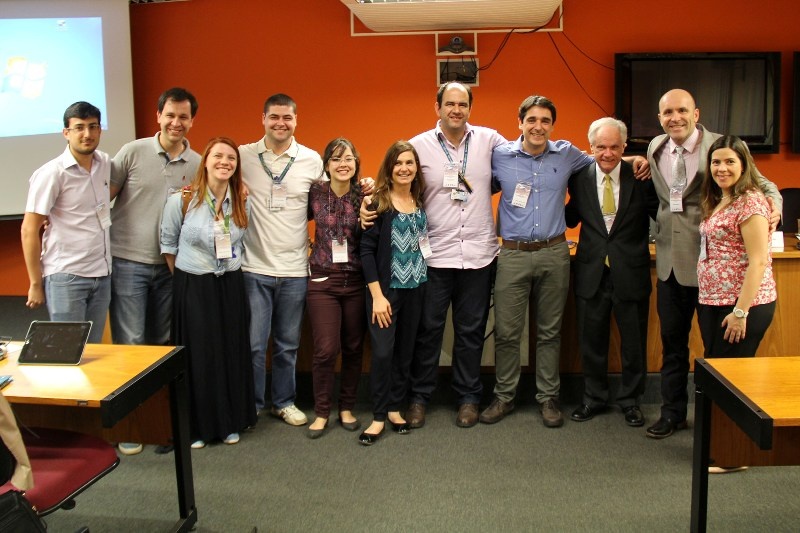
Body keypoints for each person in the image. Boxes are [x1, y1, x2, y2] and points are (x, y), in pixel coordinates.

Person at [486, 95, 649, 428]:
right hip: (513, 253)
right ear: (520, 123)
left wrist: (632, 160)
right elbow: (469, 185)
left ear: (552, 125)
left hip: (555, 253)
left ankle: (548, 398)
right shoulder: (499, 155)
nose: (538, 126)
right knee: (506, 332)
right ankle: (504, 396)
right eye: (531, 120)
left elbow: (605, 159)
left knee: (550, 333)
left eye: (545, 121)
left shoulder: (568, 154)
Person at [360, 82, 504, 428]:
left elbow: (531, 152)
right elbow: (393, 173)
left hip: (478, 254)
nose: (456, 109)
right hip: (434, 257)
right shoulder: (420, 145)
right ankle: (419, 397)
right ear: (437, 106)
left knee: (471, 331)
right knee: (429, 330)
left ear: (470, 107)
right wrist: (365, 193)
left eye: (463, 104)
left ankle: (468, 397)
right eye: (450, 103)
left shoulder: (490, 141)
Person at [645, 89, 782, 439]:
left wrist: (776, 208)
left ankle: (717, 427)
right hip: (670, 265)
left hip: (712, 271)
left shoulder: (722, 147)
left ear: (696, 113)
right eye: (667, 112)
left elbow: (764, 184)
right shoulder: (656, 146)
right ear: (660, 117)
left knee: (716, 355)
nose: (674, 118)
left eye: (682, 111)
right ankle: (672, 413)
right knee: (672, 344)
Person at [110, 87, 200, 456]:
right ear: (157, 116)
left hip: (171, 267)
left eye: (184, 116)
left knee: (163, 344)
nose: (176, 122)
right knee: (131, 344)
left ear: (192, 120)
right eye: (170, 115)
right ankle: (129, 423)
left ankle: (158, 421)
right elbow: (101, 198)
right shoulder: (132, 152)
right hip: (129, 262)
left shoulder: (197, 163)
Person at [160, 137, 256, 448]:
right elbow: (168, 245)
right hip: (193, 285)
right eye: (218, 156)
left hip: (229, 284)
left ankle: (229, 422)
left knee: (230, 351)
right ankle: (198, 427)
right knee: (199, 357)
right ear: (206, 161)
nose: (225, 162)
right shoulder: (182, 200)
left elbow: (239, 242)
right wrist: (188, 280)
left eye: (231, 158)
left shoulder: (242, 200)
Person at [565, 118, 658, 427]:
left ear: (624, 147)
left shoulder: (642, 176)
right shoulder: (578, 177)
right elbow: (570, 216)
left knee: (633, 343)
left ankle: (631, 400)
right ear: (591, 147)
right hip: (592, 271)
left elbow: (662, 213)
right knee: (591, 341)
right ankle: (593, 397)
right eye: (601, 147)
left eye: (615, 147)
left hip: (630, 272)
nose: (607, 153)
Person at [239, 93, 323, 426]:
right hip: (254, 267)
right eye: (274, 117)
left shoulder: (311, 159)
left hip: (294, 270)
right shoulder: (243, 156)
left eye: (287, 118)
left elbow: (328, 202)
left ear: (296, 121)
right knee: (255, 346)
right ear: (263, 119)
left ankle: (284, 402)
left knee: (288, 345)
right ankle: (253, 405)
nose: (280, 123)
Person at [21, 101, 111, 344]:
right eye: (79, 128)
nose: (87, 134)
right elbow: (29, 229)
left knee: (94, 353)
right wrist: (35, 283)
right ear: (66, 133)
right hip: (66, 277)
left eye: (93, 127)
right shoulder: (52, 173)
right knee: (67, 352)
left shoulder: (104, 163)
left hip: (102, 275)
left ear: (100, 129)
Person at [359, 141, 428, 446]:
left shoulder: (419, 201)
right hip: (386, 293)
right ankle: (377, 416)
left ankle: (395, 409)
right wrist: (377, 296)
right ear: (389, 167)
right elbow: (366, 252)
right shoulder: (377, 203)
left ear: (416, 169)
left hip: (416, 289)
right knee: (384, 353)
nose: (404, 168)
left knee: (404, 353)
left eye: (409, 163)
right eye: (398, 163)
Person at [305, 138, 366, 439]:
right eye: (336, 159)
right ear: (327, 164)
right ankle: (321, 412)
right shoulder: (314, 192)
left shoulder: (364, 194)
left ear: (356, 164)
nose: (343, 164)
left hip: (355, 281)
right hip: (322, 281)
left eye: (349, 159)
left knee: (354, 348)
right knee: (326, 350)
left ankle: (347, 408)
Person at [697, 136, 776, 357]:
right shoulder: (719, 198)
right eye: (716, 162)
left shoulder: (750, 201)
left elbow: (758, 262)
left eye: (730, 162)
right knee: (716, 373)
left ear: (744, 165)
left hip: (740, 304)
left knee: (730, 380)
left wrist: (740, 312)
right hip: (713, 301)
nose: (722, 168)